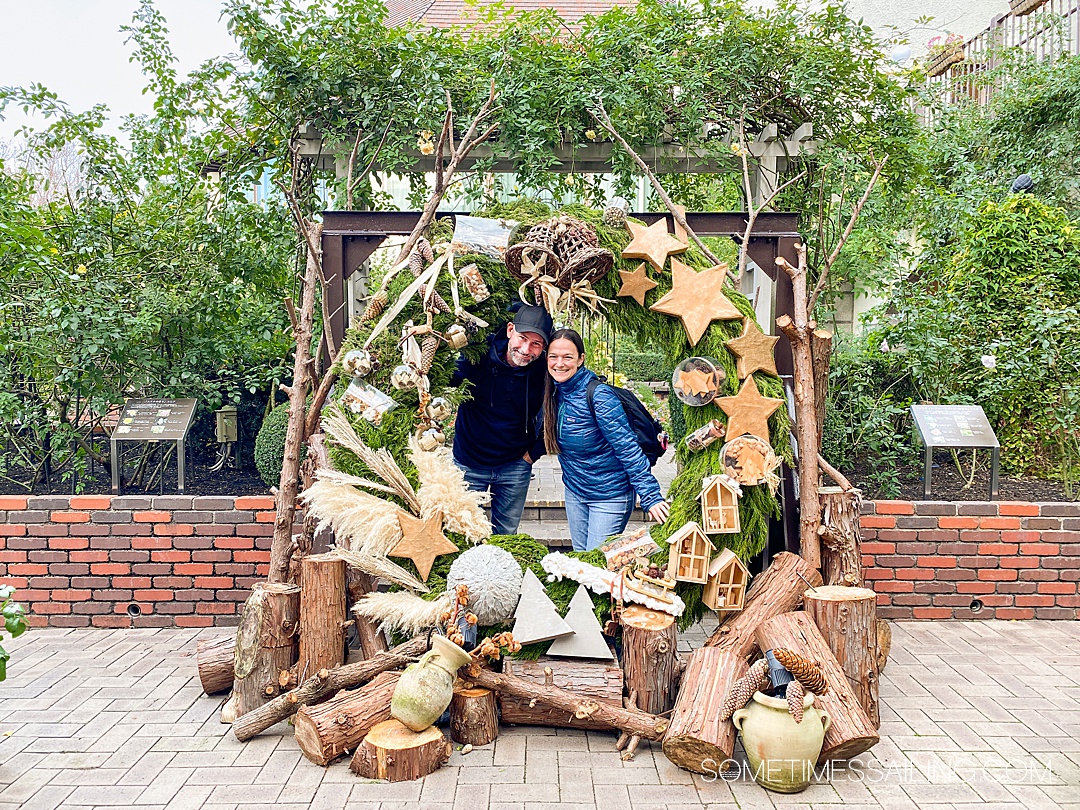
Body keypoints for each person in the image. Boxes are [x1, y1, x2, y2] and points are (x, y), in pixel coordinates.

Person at [542, 328, 670, 551]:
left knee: (597, 565)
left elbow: (628, 448)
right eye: (553, 357)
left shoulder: (599, 396)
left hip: (609, 495)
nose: (559, 363)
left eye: (567, 357)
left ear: (581, 359)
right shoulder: (555, 391)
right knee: (581, 561)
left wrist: (650, 496)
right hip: (575, 491)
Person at [450, 304, 553, 534]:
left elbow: (563, 413)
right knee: (462, 533)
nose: (526, 349)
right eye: (522, 338)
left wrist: (534, 453)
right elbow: (444, 378)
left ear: (544, 348)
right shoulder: (477, 357)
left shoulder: (544, 371)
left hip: (515, 466)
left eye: (536, 344)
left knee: (505, 534)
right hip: (469, 463)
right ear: (509, 330)